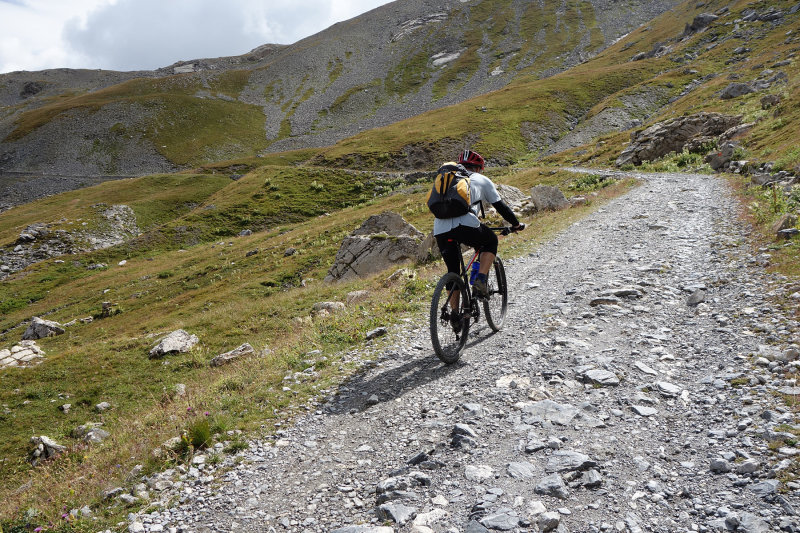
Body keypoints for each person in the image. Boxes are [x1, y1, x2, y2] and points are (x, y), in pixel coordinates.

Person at [434, 149, 525, 309]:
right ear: (478, 168)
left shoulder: (449, 179)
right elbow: (501, 207)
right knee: (490, 241)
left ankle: (456, 315)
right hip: (465, 224)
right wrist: (516, 225)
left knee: (453, 271)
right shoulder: (481, 179)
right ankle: (480, 280)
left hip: (440, 228)